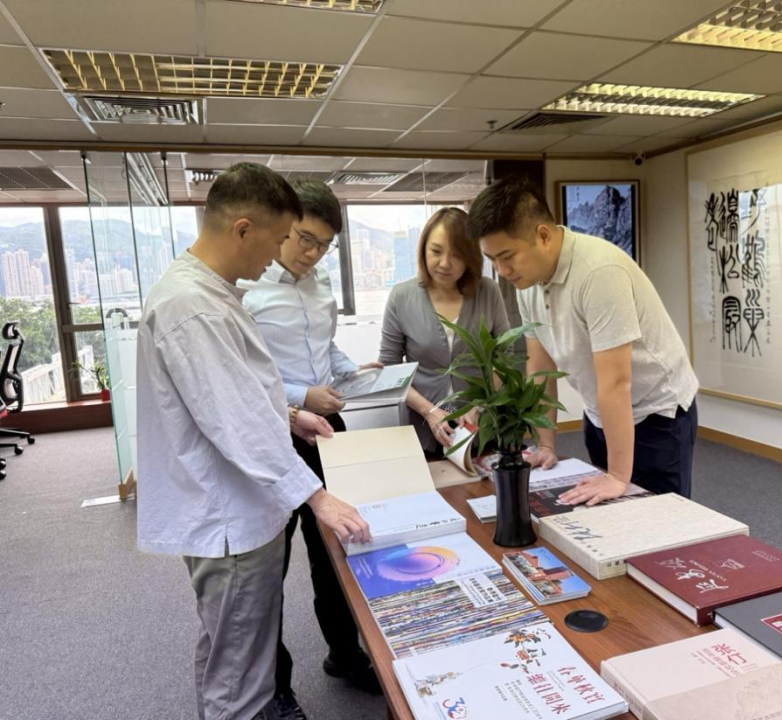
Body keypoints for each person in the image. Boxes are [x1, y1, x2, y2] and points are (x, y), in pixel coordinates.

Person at [136, 163, 370, 720]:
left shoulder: (209, 292)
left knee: (231, 645)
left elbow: (235, 392)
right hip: (231, 511)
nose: (279, 255)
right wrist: (317, 497)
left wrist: (288, 415)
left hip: (246, 495)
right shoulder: (192, 306)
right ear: (243, 229)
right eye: (280, 238)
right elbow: (234, 421)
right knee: (238, 664)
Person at [467, 177, 699, 505]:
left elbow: (616, 382)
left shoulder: (598, 271)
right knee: (605, 510)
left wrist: (617, 476)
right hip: (601, 411)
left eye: (507, 256)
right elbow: (540, 369)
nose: (501, 270)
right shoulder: (528, 282)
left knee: (659, 518)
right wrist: (546, 444)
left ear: (543, 236)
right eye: (492, 259)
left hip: (656, 413)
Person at [240, 180, 382, 712]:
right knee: (269, 567)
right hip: (271, 434)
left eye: (324, 245)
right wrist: (301, 395)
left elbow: (324, 349)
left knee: (336, 550)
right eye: (304, 238)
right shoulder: (246, 288)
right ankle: (275, 688)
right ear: (284, 226)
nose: (312, 253)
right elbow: (241, 374)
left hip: (325, 432)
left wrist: (352, 371)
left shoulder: (320, 285)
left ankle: (344, 654)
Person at [379, 207, 510, 456]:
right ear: (423, 250)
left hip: (481, 425)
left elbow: (505, 356)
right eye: (436, 251)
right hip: (422, 427)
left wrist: (479, 407)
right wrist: (430, 412)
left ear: (470, 256)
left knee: (481, 479)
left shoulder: (488, 291)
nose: (445, 263)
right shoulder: (401, 296)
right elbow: (390, 369)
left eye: (457, 254)